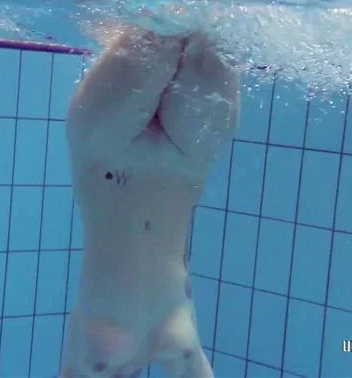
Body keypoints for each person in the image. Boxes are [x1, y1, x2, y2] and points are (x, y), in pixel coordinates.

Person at [60, 25, 241, 378]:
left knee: (156, 25)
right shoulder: (183, 357)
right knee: (215, 23)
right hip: (187, 162)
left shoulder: (83, 369)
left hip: (105, 153)